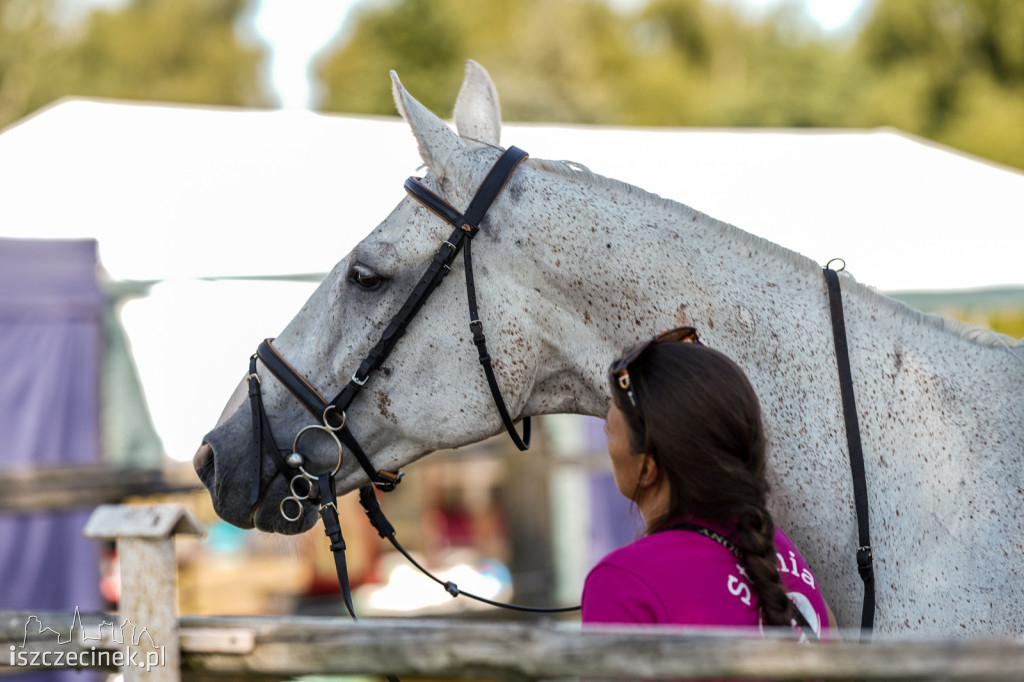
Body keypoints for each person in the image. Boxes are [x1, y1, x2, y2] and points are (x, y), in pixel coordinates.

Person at [581, 326, 834, 639]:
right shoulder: (775, 547)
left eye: (610, 429)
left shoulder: (623, 582)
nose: (606, 437)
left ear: (648, 469)